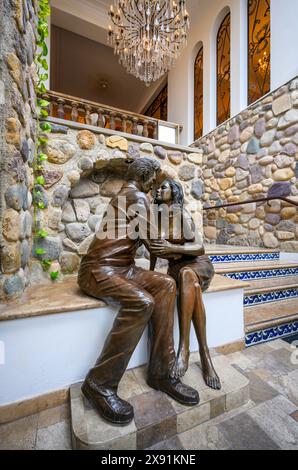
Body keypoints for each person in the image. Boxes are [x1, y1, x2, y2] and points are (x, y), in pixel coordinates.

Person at [77, 159, 199, 426]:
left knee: (166, 285)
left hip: (123, 268)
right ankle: (99, 383)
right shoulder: (137, 197)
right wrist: (192, 249)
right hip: (100, 270)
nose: (155, 187)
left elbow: (153, 242)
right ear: (145, 178)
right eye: (154, 181)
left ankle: (161, 373)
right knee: (142, 302)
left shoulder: (132, 196)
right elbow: (155, 245)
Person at [151, 178, 221, 390]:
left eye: (165, 187)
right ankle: (205, 354)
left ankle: (184, 348)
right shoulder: (157, 218)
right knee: (189, 283)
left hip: (197, 264)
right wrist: (151, 273)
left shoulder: (181, 214)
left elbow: (199, 247)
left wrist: (173, 248)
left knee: (188, 276)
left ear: (174, 192)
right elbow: (156, 248)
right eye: (159, 187)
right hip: (177, 270)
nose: (159, 189)